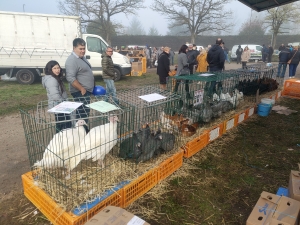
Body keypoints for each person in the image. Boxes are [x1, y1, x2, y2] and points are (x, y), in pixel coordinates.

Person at [65, 38, 94, 122]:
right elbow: (70, 77)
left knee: (85, 113)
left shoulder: (81, 58)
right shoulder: (71, 60)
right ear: (74, 48)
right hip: (80, 93)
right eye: (80, 49)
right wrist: (81, 88)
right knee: (82, 115)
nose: (83, 51)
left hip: (85, 92)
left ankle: (83, 131)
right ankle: (81, 132)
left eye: (84, 48)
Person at [43, 60, 72, 132]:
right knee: (64, 125)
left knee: (62, 124)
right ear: (50, 70)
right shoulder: (51, 80)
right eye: (54, 68)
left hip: (60, 105)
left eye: (58, 68)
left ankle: (61, 139)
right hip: (59, 106)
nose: (57, 70)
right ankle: (60, 140)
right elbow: (55, 96)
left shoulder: (56, 78)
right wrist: (65, 104)